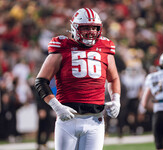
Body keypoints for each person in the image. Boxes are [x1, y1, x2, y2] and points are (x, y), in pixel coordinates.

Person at [35, 8, 121, 150]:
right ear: (75, 28)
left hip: (96, 119)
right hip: (68, 119)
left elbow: (114, 78)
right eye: (86, 27)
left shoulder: (105, 48)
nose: (91, 31)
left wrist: (116, 99)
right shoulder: (62, 47)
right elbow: (40, 81)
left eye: (94, 27)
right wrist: (57, 107)